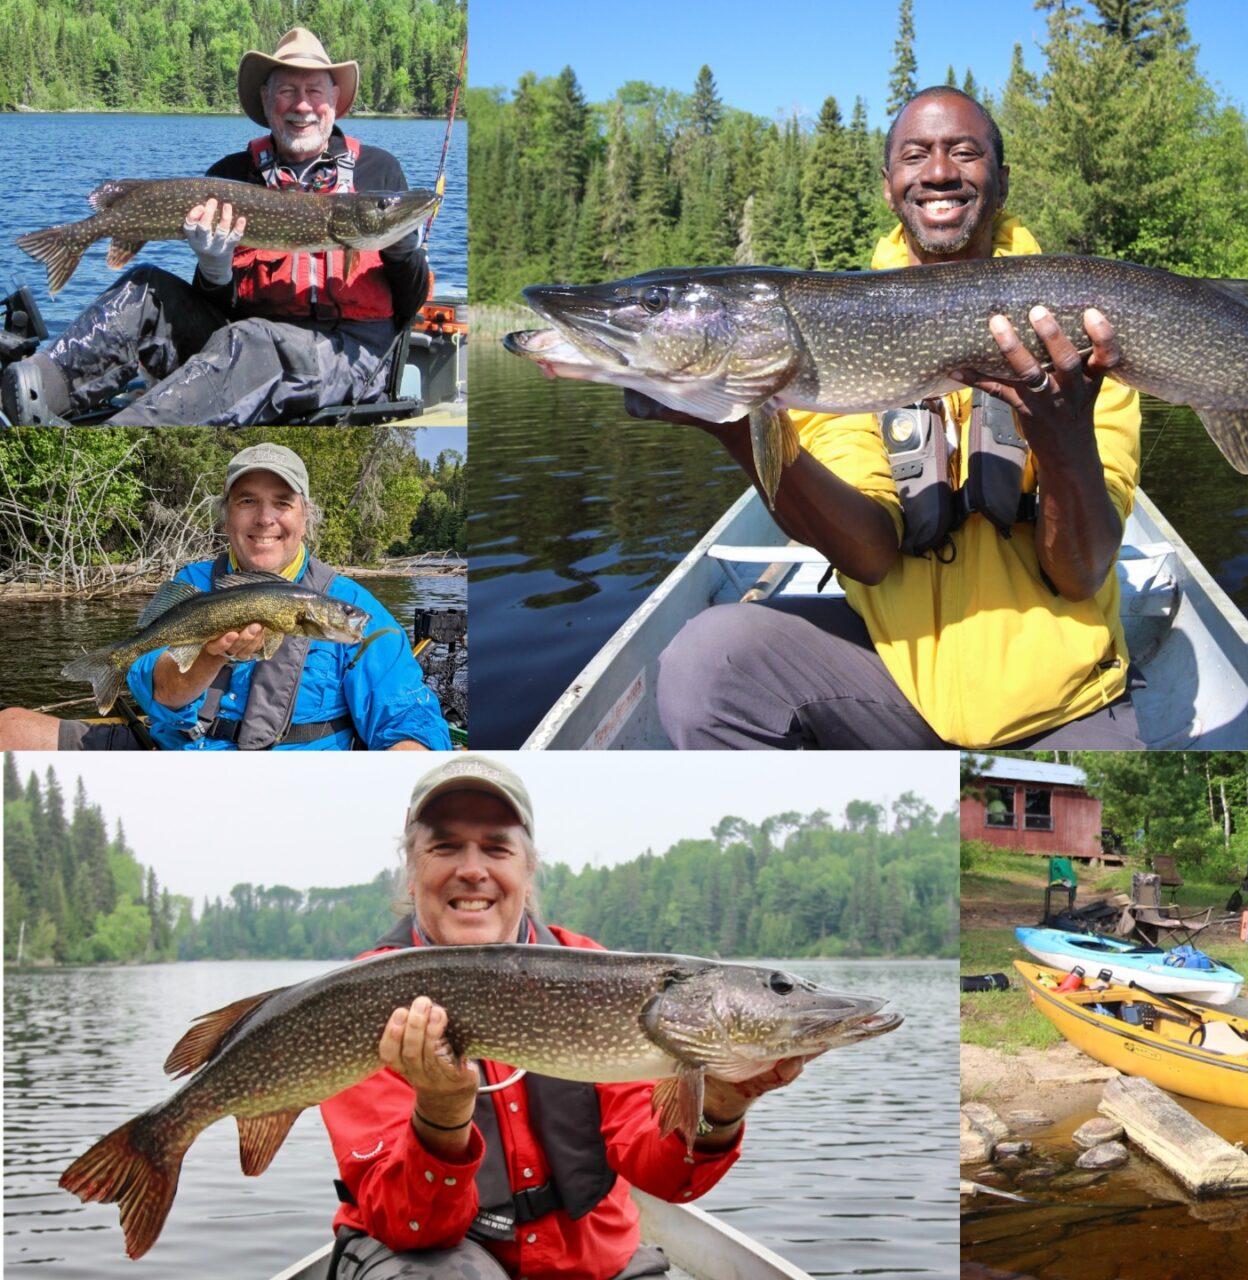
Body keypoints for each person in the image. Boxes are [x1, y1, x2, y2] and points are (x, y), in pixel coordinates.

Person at [646, 86, 1146, 750]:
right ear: (889, 187)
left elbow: (1081, 571)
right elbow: (870, 553)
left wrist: (1061, 445)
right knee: (706, 662)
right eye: (916, 155)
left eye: (964, 152)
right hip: (892, 683)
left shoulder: (1082, 325)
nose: (939, 171)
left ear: (1001, 179)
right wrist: (734, 423)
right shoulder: (836, 326)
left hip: (1068, 704)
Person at [322, 757, 807, 1280]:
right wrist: (441, 1115)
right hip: (435, 1256)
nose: (472, 868)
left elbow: (665, 1176)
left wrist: (721, 1105)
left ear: (527, 873)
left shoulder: (601, 975)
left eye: (496, 847)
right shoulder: (363, 997)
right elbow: (410, 1226)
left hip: (594, 1258)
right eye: (444, 846)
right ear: (411, 873)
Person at [0, 27, 432, 426]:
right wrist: (214, 265)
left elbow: (409, 304)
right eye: (287, 90)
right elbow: (213, 307)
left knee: (254, 341)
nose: (302, 105)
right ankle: (35, 390)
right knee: (143, 289)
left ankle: (110, 448)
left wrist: (400, 245)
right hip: (240, 345)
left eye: (314, 91)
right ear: (266, 100)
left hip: (345, 352)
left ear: (333, 101)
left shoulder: (378, 173)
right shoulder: (230, 174)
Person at [0, 442, 450, 751]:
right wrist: (208, 657)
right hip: (176, 751)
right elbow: (151, 684)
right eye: (247, 501)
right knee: (9, 728)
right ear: (226, 515)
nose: (265, 519)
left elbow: (411, 724)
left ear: (306, 516)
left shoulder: (356, 607)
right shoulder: (193, 582)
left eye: (283, 502)